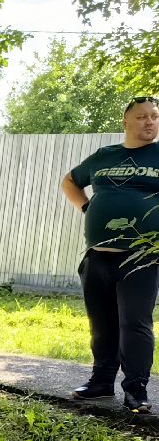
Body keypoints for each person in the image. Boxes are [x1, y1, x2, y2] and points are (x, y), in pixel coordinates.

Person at [62, 95, 159, 414]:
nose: (150, 122)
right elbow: (70, 182)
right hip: (98, 257)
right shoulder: (105, 155)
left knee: (135, 323)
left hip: (141, 258)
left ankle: (136, 391)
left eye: (155, 117)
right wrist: (89, 207)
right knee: (102, 323)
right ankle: (101, 383)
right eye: (143, 116)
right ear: (126, 122)